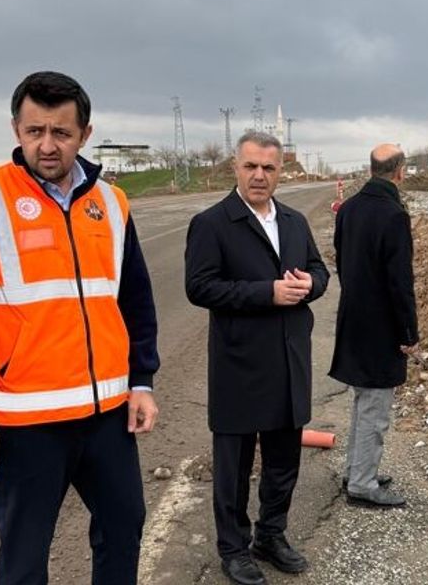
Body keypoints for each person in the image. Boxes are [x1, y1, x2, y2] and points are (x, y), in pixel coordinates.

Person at [0, 71, 160, 585]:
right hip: (25, 421)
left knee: (124, 528)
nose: (47, 145)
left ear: (85, 134)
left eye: (61, 132)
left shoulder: (112, 203)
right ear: (16, 129)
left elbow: (134, 300)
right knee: (25, 556)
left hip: (106, 415)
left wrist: (141, 380)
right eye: (35, 131)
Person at [185, 131, 329, 585]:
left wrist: (311, 285)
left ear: (281, 171)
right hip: (240, 365)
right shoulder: (212, 223)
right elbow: (199, 287)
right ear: (236, 167)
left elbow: (320, 269)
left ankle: (271, 535)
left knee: (284, 460)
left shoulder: (293, 221)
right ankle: (233, 549)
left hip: (289, 359)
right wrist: (267, 293)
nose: (259, 175)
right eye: (251, 166)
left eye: (268, 167)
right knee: (234, 466)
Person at [329, 144, 419, 508]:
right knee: (375, 408)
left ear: (371, 170)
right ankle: (363, 484)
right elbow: (401, 282)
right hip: (380, 327)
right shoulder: (394, 215)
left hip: (353, 318)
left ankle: (356, 470)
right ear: (399, 172)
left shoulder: (349, 209)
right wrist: (408, 333)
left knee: (363, 401)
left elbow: (340, 260)